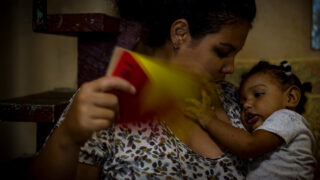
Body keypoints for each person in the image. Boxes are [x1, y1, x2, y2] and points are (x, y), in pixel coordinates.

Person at [28, 0, 256, 179]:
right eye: (222, 52)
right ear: (180, 33)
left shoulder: (239, 101)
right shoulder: (104, 104)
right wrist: (66, 138)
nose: (231, 67)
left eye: (236, 54)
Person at [186, 61, 316, 179]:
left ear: (291, 97)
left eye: (258, 94)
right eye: (242, 104)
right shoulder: (270, 130)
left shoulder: (287, 118)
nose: (247, 105)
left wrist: (209, 120)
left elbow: (248, 145)